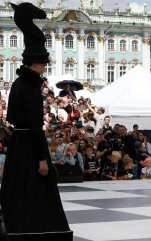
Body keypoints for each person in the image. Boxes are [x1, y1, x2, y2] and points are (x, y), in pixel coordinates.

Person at [0, 2, 72, 240]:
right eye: (44, 63)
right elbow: (35, 127)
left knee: (16, 188)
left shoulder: (18, 84)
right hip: (30, 146)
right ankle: (36, 228)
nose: (45, 67)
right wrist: (43, 158)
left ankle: (15, 226)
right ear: (38, 62)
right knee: (37, 189)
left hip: (18, 145)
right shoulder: (31, 89)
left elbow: (11, 117)